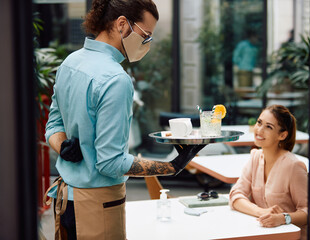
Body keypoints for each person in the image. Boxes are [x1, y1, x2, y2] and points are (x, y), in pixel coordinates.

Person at [44, 0, 204, 239]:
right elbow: (110, 163)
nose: (147, 42)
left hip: (66, 202)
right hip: (97, 206)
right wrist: (171, 166)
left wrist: (63, 147)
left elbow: (53, 125)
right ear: (122, 24)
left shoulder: (70, 63)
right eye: (146, 34)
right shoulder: (115, 79)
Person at [229, 105, 308, 240]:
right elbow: (236, 195)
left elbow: (308, 212)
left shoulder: (294, 166)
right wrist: (261, 212)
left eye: (269, 127)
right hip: (262, 234)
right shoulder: (255, 157)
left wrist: (283, 218)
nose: (259, 130)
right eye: (259, 123)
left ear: (282, 135)